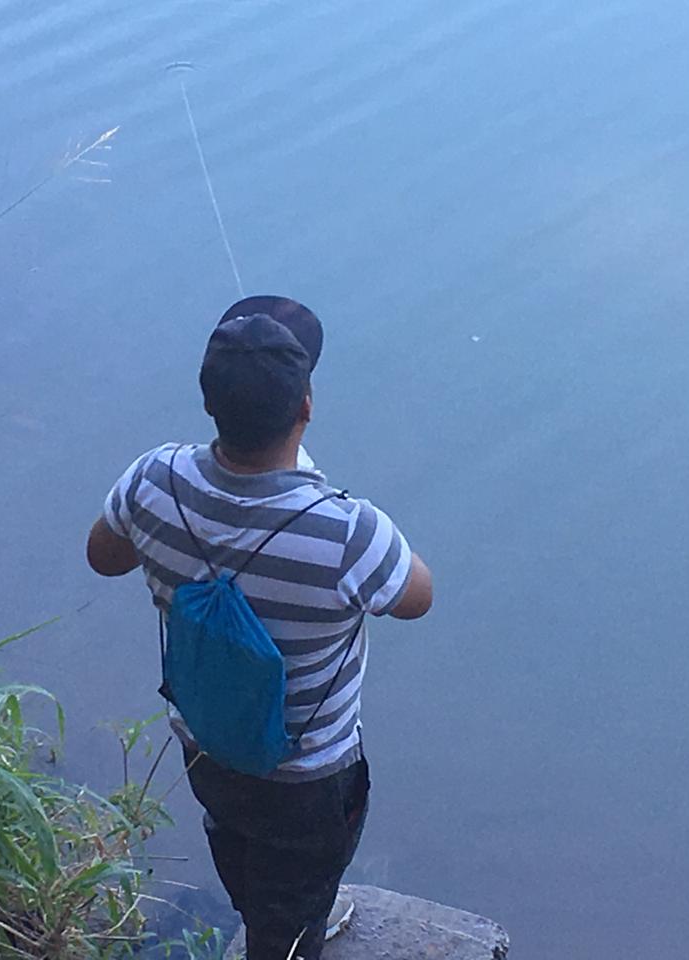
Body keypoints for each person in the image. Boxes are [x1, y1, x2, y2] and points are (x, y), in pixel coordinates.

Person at [86, 295, 432, 959]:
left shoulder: (153, 479)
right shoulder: (349, 532)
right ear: (306, 406)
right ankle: (289, 932)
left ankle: (268, 911)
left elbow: (104, 557)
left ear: (207, 401)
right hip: (309, 775)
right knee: (297, 892)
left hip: (205, 741)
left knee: (233, 833)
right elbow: (418, 597)